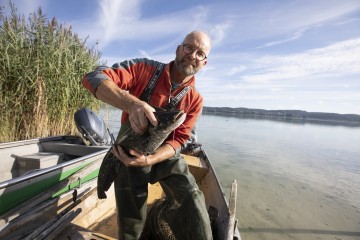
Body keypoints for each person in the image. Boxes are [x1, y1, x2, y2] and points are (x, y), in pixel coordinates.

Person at [82, 31, 212, 240]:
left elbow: (179, 140)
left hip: (163, 153)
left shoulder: (195, 100)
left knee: (192, 198)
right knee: (131, 218)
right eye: (189, 48)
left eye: (200, 53)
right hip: (128, 151)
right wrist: (131, 103)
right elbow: (93, 77)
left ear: (204, 63)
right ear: (179, 49)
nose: (192, 55)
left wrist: (150, 159)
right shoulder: (145, 69)